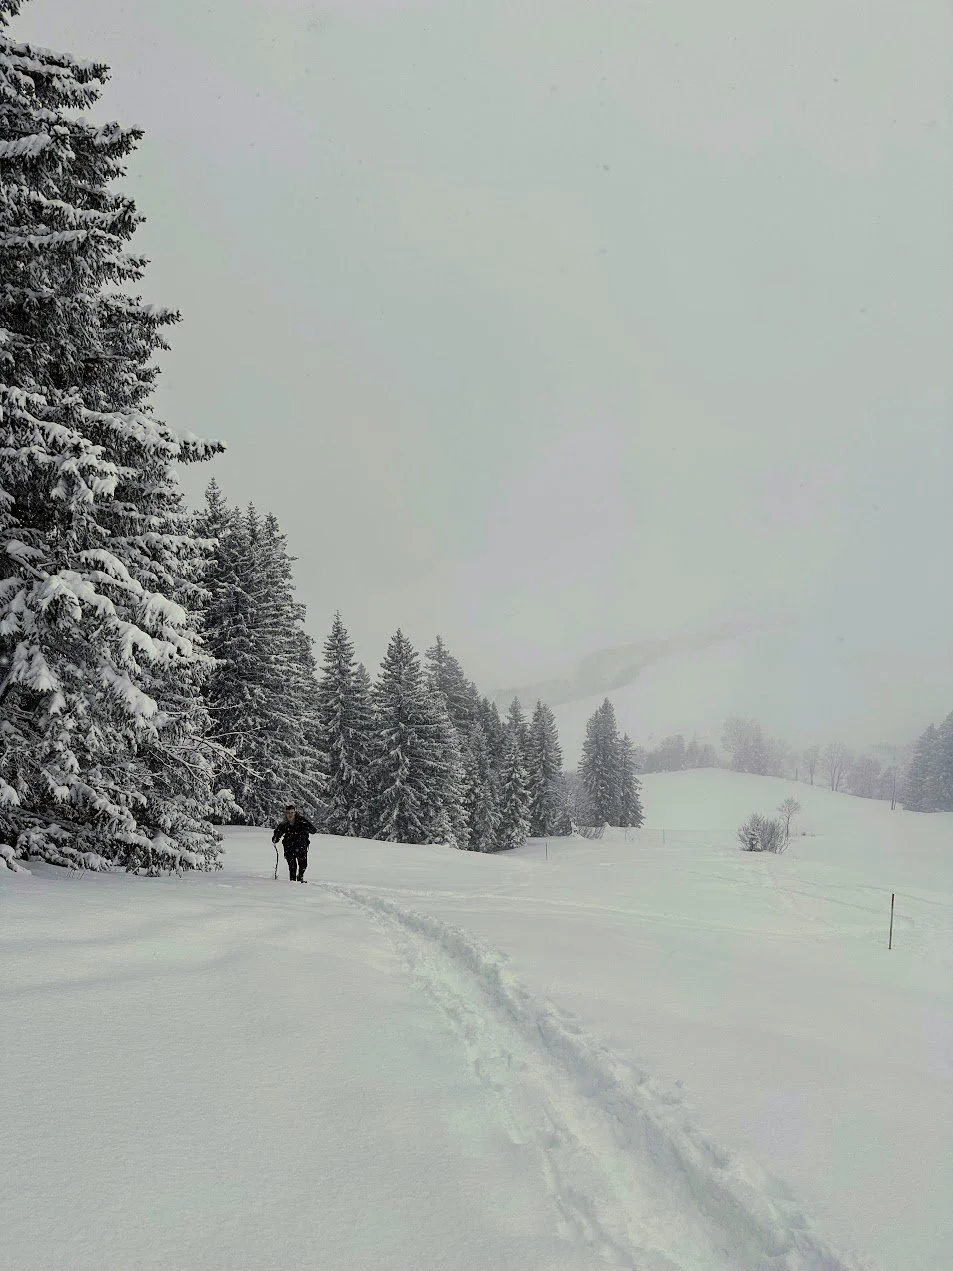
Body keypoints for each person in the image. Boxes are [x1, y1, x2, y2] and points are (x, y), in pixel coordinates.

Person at [272, 804, 316, 883]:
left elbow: (313, 830)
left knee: (303, 864)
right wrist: (275, 838)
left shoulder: (301, 820)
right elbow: (278, 832)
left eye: (292, 812)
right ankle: (292, 882)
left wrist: (306, 828)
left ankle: (300, 877)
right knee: (292, 866)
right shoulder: (284, 823)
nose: (290, 815)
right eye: (288, 813)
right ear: (286, 813)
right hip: (289, 846)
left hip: (301, 846)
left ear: (295, 812)